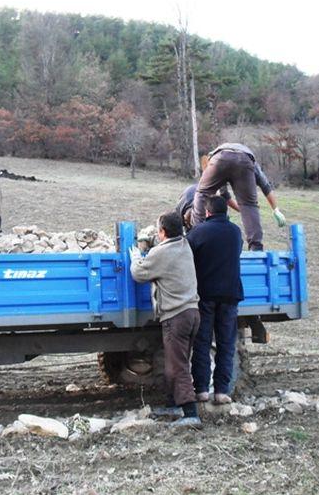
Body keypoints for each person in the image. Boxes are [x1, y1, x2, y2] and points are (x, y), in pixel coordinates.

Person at [129, 211, 202, 428]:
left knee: (177, 366)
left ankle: (190, 413)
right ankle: (173, 405)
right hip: (192, 313)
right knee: (176, 362)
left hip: (176, 317)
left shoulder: (162, 253)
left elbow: (138, 274)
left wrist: (136, 256)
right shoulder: (184, 245)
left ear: (162, 232)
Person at [187, 195, 243, 404]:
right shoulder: (236, 232)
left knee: (202, 342)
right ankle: (221, 392)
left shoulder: (198, 232)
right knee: (226, 343)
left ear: (207, 212)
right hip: (230, 296)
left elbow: (187, 257)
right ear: (226, 212)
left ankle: (201, 390)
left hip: (205, 296)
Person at [191, 142, 286, 251]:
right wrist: (275, 209)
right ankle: (256, 247)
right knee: (250, 205)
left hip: (221, 158)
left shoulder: (212, 162)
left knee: (202, 193)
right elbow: (266, 187)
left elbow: (221, 195)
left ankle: (196, 235)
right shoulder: (252, 164)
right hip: (244, 159)